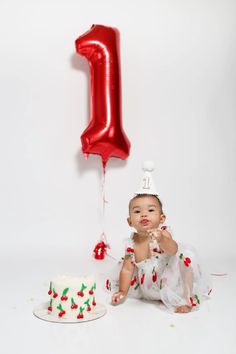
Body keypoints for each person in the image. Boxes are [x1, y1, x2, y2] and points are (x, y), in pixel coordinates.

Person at [106, 161, 212, 313]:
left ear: (161, 218)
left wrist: (162, 239)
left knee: (186, 255)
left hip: (168, 283)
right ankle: (144, 295)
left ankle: (186, 299)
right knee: (126, 270)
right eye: (137, 212)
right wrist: (123, 291)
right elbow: (127, 270)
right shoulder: (131, 243)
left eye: (150, 210)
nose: (143, 214)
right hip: (147, 289)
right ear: (130, 221)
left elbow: (173, 250)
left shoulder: (163, 233)